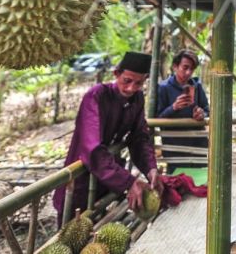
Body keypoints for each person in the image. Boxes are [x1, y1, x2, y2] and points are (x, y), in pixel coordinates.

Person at [53, 52, 162, 225]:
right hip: (79, 183)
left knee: (98, 227)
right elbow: (93, 149)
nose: (131, 88)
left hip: (107, 181)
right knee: (70, 231)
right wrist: (129, 182)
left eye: (139, 83)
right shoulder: (96, 96)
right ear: (116, 74)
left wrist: (151, 169)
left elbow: (139, 137)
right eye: (127, 80)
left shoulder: (137, 98)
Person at [156, 49, 210, 173]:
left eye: (191, 69)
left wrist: (201, 114)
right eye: (185, 67)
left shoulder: (197, 86)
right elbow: (157, 118)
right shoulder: (163, 88)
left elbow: (207, 110)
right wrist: (173, 107)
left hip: (197, 142)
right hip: (174, 145)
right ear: (175, 66)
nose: (188, 72)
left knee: (199, 179)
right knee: (177, 180)